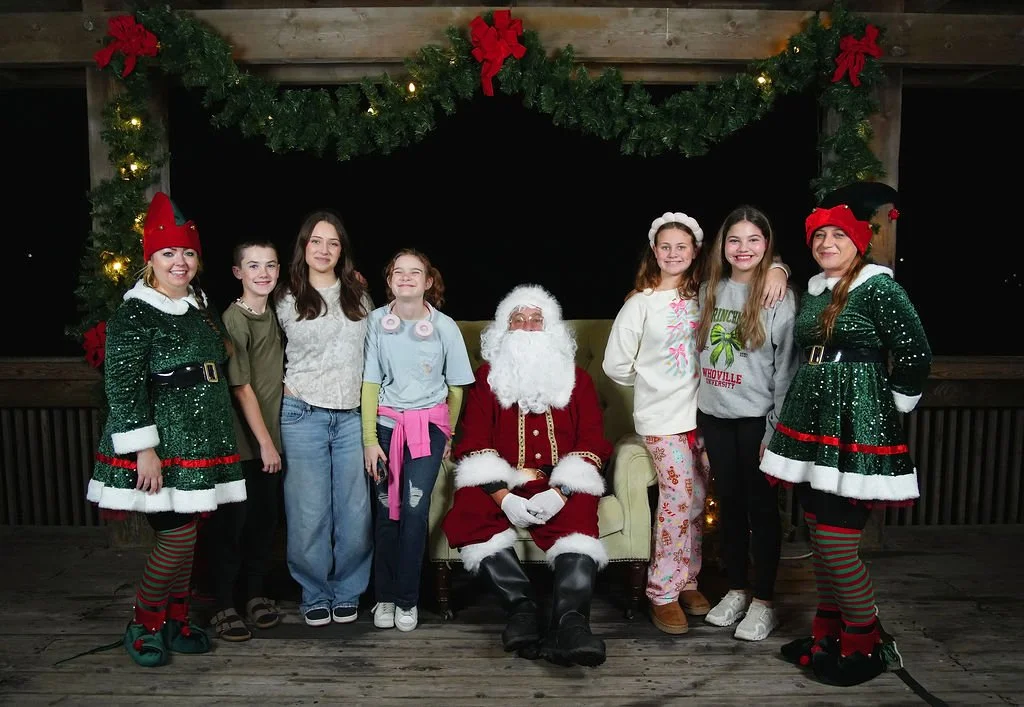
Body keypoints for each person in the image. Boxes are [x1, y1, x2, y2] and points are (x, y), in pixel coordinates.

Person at [760, 182, 931, 687]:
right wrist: (779, 265)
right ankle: (827, 635)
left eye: (838, 235)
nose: (826, 243)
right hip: (814, 425)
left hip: (857, 425)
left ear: (860, 241)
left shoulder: (880, 287)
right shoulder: (816, 288)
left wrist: (890, 404)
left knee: (837, 542)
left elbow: (916, 354)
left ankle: (865, 640)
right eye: (819, 236)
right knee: (819, 532)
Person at [602, 211, 789, 635]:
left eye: (681, 247)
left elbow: (751, 274)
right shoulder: (640, 303)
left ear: (696, 251)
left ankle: (687, 578)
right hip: (662, 419)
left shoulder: (702, 293)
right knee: (676, 499)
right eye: (665, 247)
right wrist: (656, 383)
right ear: (654, 251)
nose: (673, 254)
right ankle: (661, 591)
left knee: (697, 500)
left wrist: (778, 266)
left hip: (704, 414)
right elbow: (616, 366)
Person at [86, 191, 246, 667]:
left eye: (189, 251)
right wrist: (144, 450)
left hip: (200, 440)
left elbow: (218, 360)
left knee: (189, 533)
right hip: (161, 446)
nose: (181, 261)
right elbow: (122, 382)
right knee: (175, 536)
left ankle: (176, 621)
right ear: (150, 259)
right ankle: (143, 622)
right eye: (169, 252)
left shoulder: (200, 304)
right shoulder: (135, 311)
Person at [441, 284, 613, 667]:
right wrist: (504, 496)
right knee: (469, 506)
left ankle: (571, 623)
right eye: (517, 320)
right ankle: (521, 608)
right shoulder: (487, 379)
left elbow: (593, 441)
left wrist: (562, 490)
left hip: (563, 482)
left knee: (581, 517)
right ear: (504, 330)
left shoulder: (577, 380)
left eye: (536, 320)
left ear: (551, 329)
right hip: (506, 480)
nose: (527, 327)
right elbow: (473, 441)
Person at [695, 206, 800, 642]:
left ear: (767, 245)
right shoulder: (708, 291)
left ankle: (764, 601)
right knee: (730, 508)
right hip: (716, 418)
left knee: (761, 510)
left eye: (754, 240)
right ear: (723, 245)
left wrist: (775, 429)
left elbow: (786, 370)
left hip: (758, 421)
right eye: (734, 240)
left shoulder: (778, 295)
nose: (743, 248)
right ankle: (737, 589)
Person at [361, 249, 475, 632]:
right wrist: (368, 440)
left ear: (428, 281)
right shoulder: (376, 321)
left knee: (413, 511)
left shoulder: (444, 326)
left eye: (415, 273)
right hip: (386, 428)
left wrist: (448, 434)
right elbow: (370, 385)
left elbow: (457, 386)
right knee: (384, 513)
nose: (406, 278)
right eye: (398, 272)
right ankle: (385, 597)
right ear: (389, 279)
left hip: (427, 429)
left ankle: (408, 599)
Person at [275, 208, 374, 627]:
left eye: (333, 242)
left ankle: (348, 589)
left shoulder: (360, 295)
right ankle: (314, 591)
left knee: (355, 511)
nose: (324, 249)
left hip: (352, 415)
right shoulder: (284, 295)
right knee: (309, 511)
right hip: (303, 413)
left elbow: (374, 354)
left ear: (342, 250)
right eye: (316, 241)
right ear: (303, 246)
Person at [203, 239, 285, 642]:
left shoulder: (273, 314)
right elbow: (242, 389)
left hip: (271, 440)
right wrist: (265, 443)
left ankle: (254, 595)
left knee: (263, 523)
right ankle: (223, 604)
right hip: (243, 443)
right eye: (253, 266)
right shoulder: (233, 320)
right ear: (238, 273)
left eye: (270, 265)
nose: (263, 273)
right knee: (232, 526)